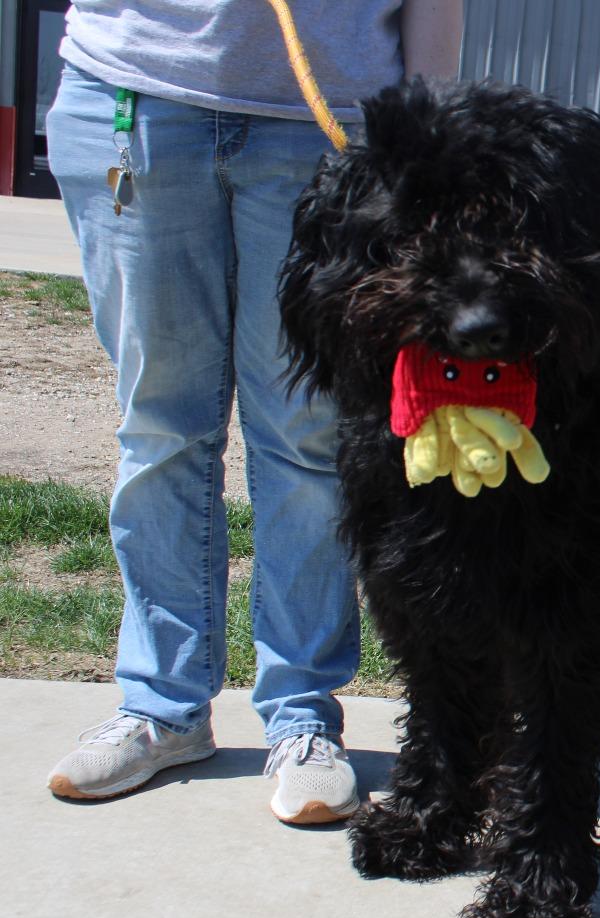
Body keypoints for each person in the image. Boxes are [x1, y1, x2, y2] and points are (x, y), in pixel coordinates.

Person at [44, 0, 463, 823]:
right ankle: (161, 707)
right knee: (161, 428)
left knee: (306, 439)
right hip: (137, 98)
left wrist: (425, 135)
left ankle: (302, 716)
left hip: (324, 124)